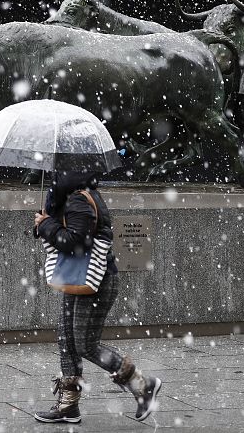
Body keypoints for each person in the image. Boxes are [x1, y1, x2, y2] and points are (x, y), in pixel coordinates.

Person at [32, 171, 161, 424]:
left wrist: (46, 224)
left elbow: (76, 242)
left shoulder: (79, 199)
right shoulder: (76, 195)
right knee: (66, 339)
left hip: (95, 281)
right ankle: (68, 406)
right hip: (77, 277)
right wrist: (44, 223)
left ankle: (143, 384)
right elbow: (69, 235)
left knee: (84, 345)